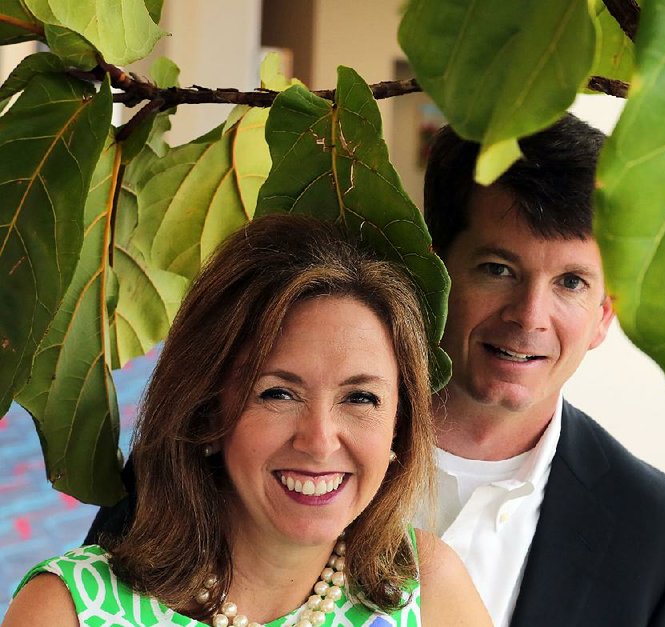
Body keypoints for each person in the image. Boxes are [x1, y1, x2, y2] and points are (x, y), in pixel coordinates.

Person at [6, 215, 491, 627]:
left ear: (398, 427)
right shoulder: (67, 611)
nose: (320, 441)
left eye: (360, 398)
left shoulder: (427, 592)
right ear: (207, 409)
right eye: (277, 393)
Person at [422, 115, 665, 627]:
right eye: (498, 269)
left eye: (571, 282)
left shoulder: (655, 526)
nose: (529, 316)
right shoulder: (313, 449)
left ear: (604, 314)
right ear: (432, 270)